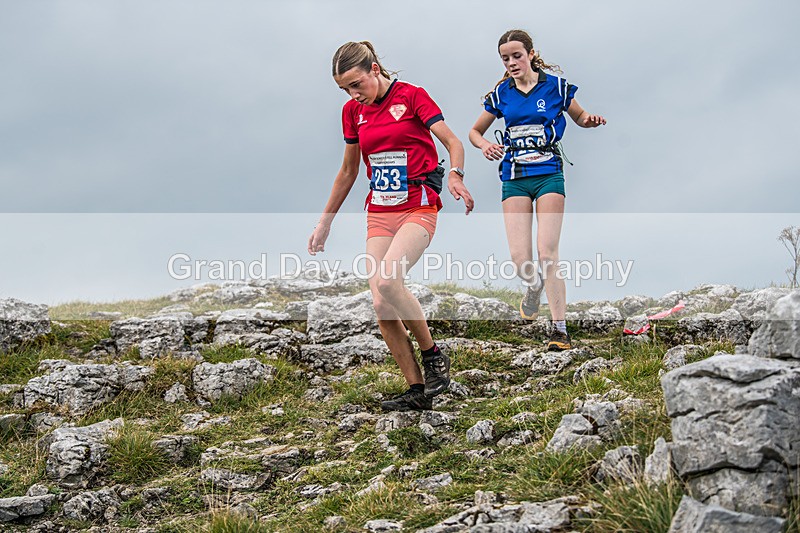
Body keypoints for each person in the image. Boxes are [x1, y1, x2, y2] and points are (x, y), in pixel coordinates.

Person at [308, 41, 474, 411]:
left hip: (418, 206)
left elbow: (453, 141)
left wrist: (457, 176)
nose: (353, 94)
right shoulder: (352, 112)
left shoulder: (412, 96)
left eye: (356, 84)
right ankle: (417, 390)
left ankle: (433, 356)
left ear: (375, 69)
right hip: (380, 212)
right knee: (381, 303)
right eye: (344, 89)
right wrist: (325, 222)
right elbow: (349, 170)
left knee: (387, 280)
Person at [468, 29, 606, 351]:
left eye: (517, 55)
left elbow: (580, 116)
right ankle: (533, 289)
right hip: (514, 177)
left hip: (548, 174)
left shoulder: (555, 86)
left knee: (548, 253)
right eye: (505, 58)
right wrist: (485, 144)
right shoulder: (502, 94)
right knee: (521, 259)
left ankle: (560, 329)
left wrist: (590, 121)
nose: (512, 62)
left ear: (531, 53)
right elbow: (475, 131)